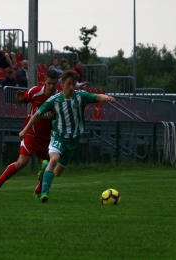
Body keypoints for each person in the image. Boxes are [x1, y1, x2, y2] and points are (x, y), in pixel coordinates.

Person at [19, 70, 116, 203]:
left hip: (73, 139)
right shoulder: (54, 100)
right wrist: (25, 130)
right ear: (63, 84)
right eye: (69, 84)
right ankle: (44, 194)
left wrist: (106, 98)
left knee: (57, 172)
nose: (71, 87)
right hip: (58, 135)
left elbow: (97, 97)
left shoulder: (80, 96)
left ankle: (44, 168)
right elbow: (37, 114)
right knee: (53, 160)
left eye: (74, 84)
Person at [0, 70, 60, 200]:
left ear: (57, 83)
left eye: (54, 84)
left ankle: (38, 190)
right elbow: (24, 99)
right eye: (49, 83)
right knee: (21, 162)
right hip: (31, 132)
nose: (51, 87)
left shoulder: (59, 99)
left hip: (47, 137)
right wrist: (19, 100)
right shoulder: (36, 92)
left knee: (50, 164)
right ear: (45, 81)